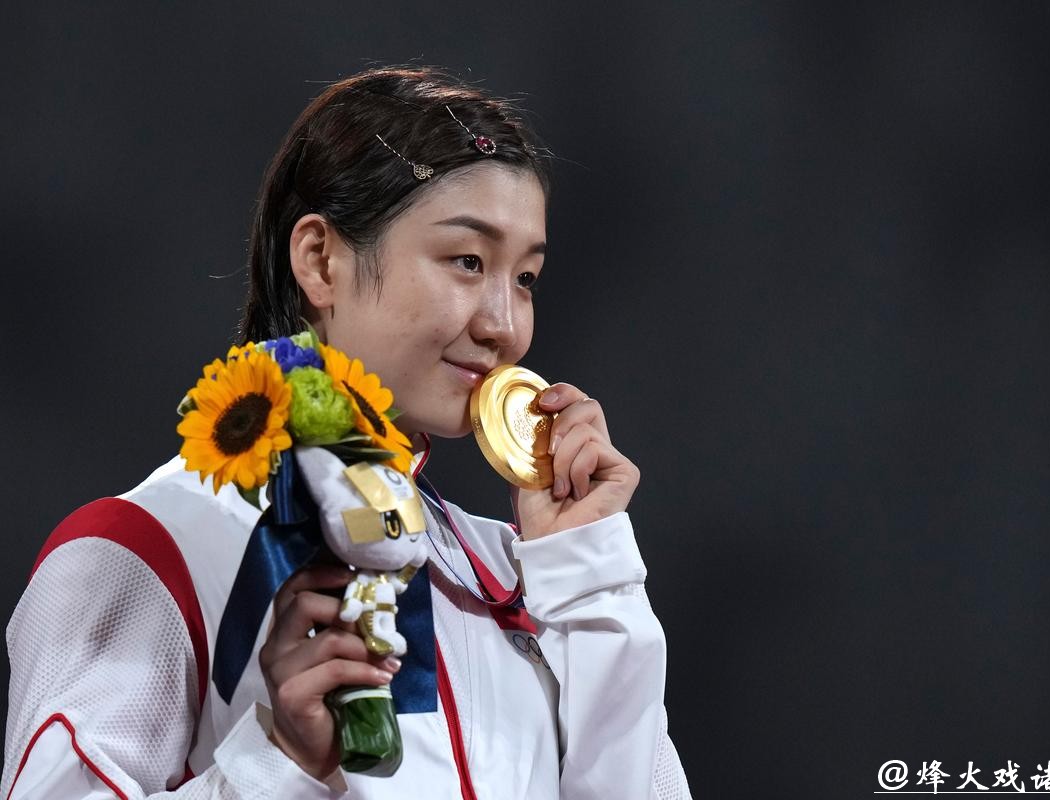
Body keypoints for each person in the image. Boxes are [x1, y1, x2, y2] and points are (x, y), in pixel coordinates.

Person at [2, 67, 691, 799]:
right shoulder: (147, 548)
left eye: (525, 278)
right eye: (467, 261)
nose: (505, 326)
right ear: (320, 261)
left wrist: (588, 579)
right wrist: (281, 764)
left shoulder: (517, 573)